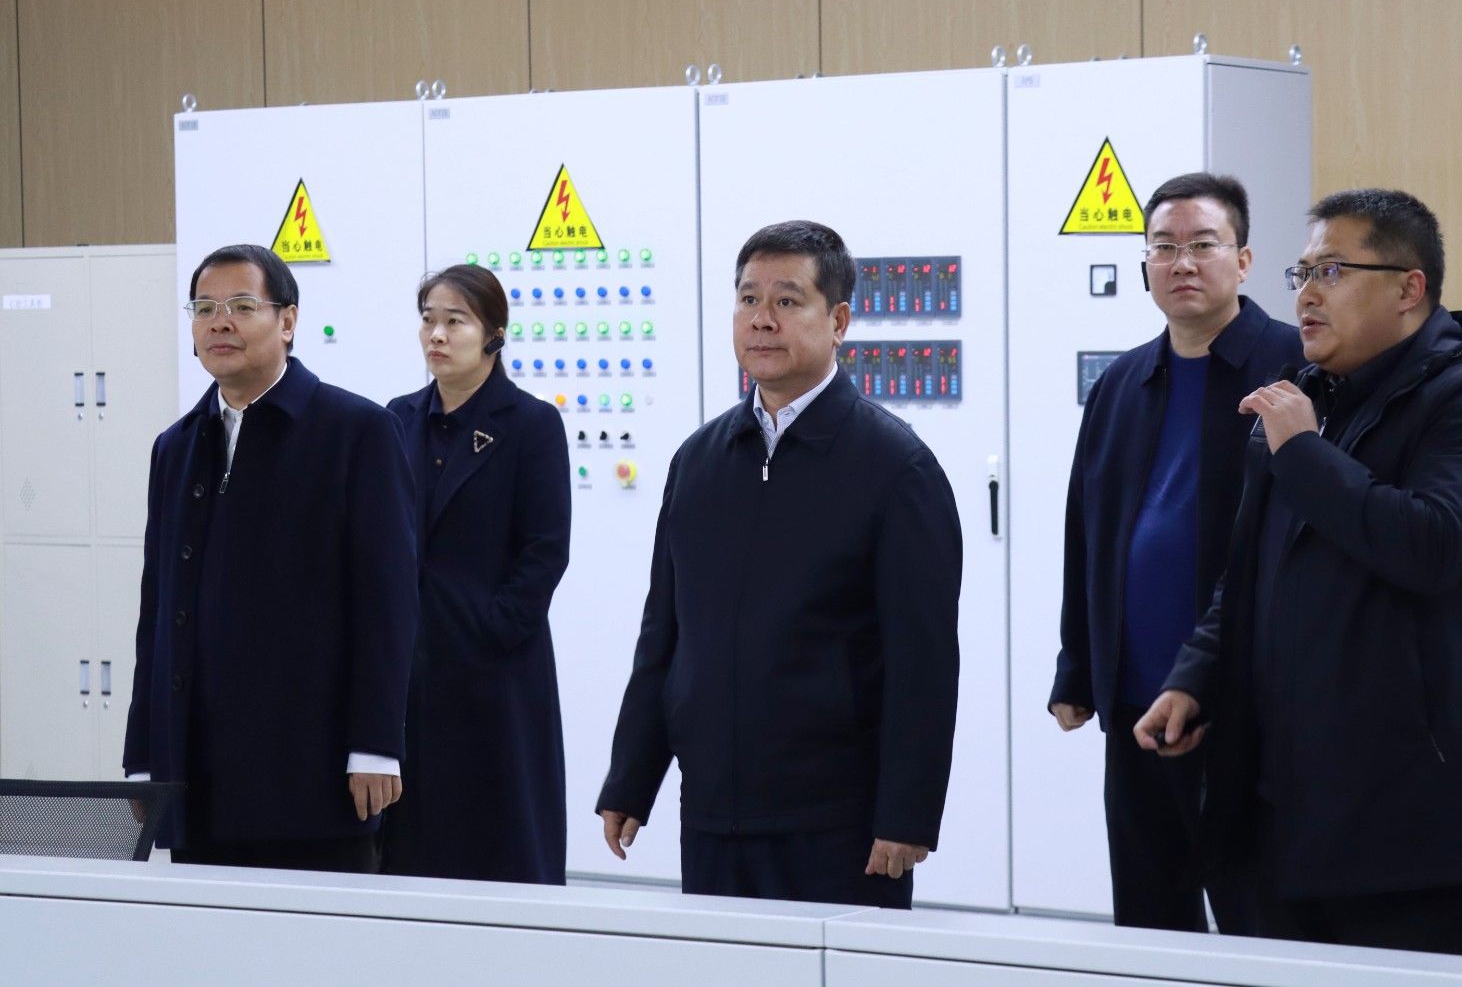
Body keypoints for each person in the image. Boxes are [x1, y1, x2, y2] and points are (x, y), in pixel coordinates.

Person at [1136, 189, 1462, 957]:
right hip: (1282, 810)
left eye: (1333, 271)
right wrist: (1195, 676)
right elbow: (1247, 576)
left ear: (1409, 288)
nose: (1306, 296)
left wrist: (1305, 454)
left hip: (1413, 823)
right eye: (1303, 272)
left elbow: (1431, 546)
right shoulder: (1306, 400)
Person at [596, 219, 961, 909]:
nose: (761, 320)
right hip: (713, 812)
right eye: (748, 299)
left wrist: (907, 815)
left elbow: (924, 661)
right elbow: (664, 635)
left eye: (787, 301)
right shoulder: (698, 462)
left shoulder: (895, 468)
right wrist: (631, 778)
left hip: (837, 823)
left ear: (839, 321)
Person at [1050, 173, 1302, 932]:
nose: (1182, 262)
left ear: (1244, 260)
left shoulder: (1294, 366)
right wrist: (1077, 669)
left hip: (1247, 703)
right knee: (1150, 916)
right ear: (1145, 265)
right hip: (1135, 698)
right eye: (1164, 247)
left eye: (1203, 245)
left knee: (1259, 919)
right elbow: (1086, 533)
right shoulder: (1122, 382)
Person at [123, 244, 416, 872]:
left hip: (312, 766)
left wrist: (375, 744)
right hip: (198, 771)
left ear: (288, 320)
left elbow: (387, 603)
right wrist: (145, 754)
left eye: (241, 305)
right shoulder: (175, 447)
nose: (219, 323)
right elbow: (158, 612)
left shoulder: (356, 431)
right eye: (204, 309)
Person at [383, 265, 572, 884]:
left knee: (500, 839)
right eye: (428, 320)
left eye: (454, 321)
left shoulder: (531, 423)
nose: (436, 335)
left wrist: (491, 630)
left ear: (494, 334)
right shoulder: (397, 419)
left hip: (497, 671)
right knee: (412, 848)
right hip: (410, 670)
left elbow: (545, 551)